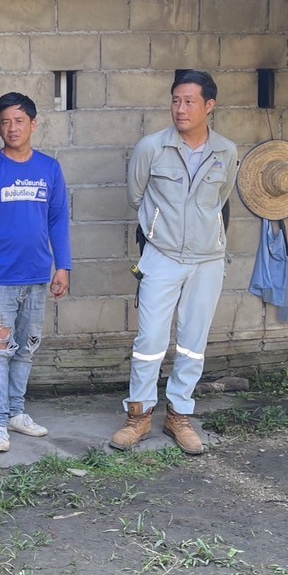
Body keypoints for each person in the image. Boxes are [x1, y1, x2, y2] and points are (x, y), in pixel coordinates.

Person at [110, 69, 238, 455]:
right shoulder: (151, 147)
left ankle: (179, 416)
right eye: (175, 100)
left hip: (207, 260)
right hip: (161, 256)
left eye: (189, 101)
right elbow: (136, 196)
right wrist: (158, 228)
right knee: (149, 340)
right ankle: (139, 415)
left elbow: (222, 198)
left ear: (209, 106)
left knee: (193, 342)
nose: (180, 109)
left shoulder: (226, 152)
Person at [0, 92, 72, 454]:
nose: (11, 128)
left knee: (26, 348)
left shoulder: (49, 169)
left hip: (38, 276)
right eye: (5, 122)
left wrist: (64, 266)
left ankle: (16, 413)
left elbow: (58, 220)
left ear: (33, 124)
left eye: (18, 121)